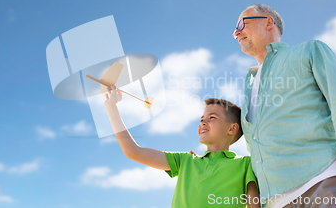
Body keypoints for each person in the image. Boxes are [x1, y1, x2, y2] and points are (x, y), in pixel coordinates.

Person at [232, 4, 336, 208]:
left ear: (268, 22)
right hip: (274, 201)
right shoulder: (249, 84)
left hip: (322, 182)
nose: (236, 32)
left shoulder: (309, 51)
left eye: (242, 23)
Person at [103, 86, 260, 208]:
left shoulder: (245, 164)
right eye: (201, 119)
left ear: (232, 129)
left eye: (212, 118)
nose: (203, 122)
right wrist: (111, 107)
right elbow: (133, 151)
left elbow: (254, 203)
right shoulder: (185, 161)